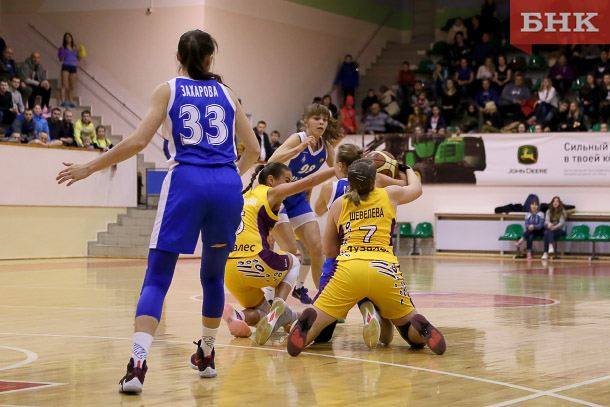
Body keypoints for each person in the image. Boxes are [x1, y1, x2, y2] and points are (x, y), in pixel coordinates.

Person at [56, 29, 260, 394]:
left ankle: (137, 366)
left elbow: (137, 141)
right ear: (211, 58)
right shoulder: (227, 93)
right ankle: (207, 355)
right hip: (227, 185)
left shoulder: (168, 89)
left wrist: (89, 167)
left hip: (186, 182)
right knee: (213, 278)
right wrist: (229, 179)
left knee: (157, 279)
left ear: (178, 56)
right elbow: (255, 150)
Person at [286, 158, 446, 357]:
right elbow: (416, 189)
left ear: (349, 181)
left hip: (348, 269)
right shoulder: (389, 194)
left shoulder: (339, 204)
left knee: (318, 326)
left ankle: (305, 327)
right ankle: (422, 329)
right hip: (384, 269)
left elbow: (329, 251)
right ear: (374, 182)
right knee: (408, 330)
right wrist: (408, 170)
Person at [222, 163, 336, 344]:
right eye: (287, 181)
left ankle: (238, 316)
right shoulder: (270, 193)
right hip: (254, 260)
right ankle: (279, 307)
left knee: (262, 312)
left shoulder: (244, 197)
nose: (289, 185)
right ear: (271, 180)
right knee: (294, 261)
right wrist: (338, 168)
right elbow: (310, 181)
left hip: (229, 270)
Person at [312, 144, 407, 344]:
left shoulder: (329, 188)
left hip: (340, 261)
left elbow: (318, 211)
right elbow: (404, 183)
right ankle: (368, 310)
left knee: (321, 331)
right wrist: (398, 168)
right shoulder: (378, 181)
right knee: (386, 336)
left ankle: (289, 317)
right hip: (373, 257)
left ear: (339, 165)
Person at [266, 103, 339, 304]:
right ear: (306, 122)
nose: (321, 122)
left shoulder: (326, 147)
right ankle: (269, 297)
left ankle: (322, 301)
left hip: (297, 198)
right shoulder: (297, 138)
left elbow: (339, 169)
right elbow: (272, 160)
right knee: (290, 249)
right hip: (278, 196)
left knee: (317, 247)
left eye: (324, 119)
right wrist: (299, 148)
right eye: (317, 118)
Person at [58, 32, 80, 107]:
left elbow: (79, 58)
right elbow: (61, 59)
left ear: (71, 38)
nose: (68, 38)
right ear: (64, 39)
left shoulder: (75, 47)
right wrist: (60, 52)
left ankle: (71, 102)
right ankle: (63, 101)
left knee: (72, 86)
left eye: (69, 37)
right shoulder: (63, 47)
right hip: (65, 66)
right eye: (66, 37)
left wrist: (80, 52)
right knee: (64, 84)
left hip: (73, 67)